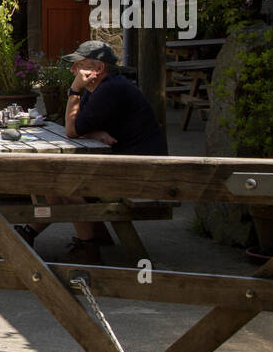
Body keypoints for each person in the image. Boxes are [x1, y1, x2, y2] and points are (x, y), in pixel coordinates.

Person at [16, 40, 166, 264]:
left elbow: (71, 129)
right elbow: (78, 128)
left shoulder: (111, 89)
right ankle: (28, 233)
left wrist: (73, 90)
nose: (72, 70)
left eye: (78, 65)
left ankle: (88, 247)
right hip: (130, 165)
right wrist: (91, 132)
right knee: (59, 184)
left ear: (98, 69)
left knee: (69, 184)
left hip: (143, 174)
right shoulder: (99, 88)